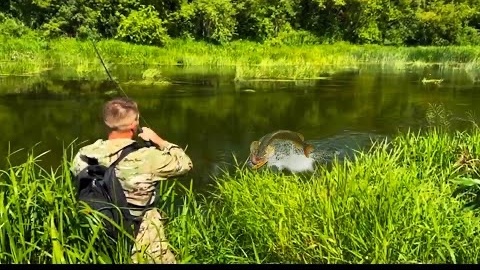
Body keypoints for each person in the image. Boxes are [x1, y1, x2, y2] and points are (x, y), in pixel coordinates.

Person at [70, 97, 193, 264]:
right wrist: (159, 141)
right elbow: (185, 164)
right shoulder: (146, 158)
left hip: (96, 231)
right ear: (134, 124)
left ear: (106, 123)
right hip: (141, 236)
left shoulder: (83, 155)